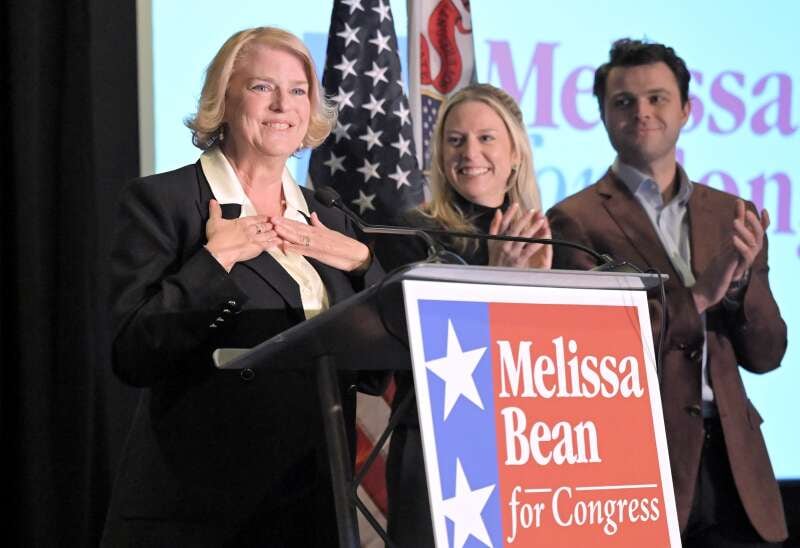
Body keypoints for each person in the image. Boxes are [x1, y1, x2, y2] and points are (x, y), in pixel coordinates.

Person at [101, 27, 381, 547]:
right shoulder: (166, 202)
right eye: (261, 87)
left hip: (315, 502)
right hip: (206, 508)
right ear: (223, 100)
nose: (283, 105)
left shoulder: (329, 217)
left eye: (298, 91)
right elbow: (132, 353)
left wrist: (364, 264)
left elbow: (376, 365)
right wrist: (216, 260)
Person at [547, 39, 787, 547]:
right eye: (624, 102)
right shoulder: (573, 220)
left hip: (735, 463)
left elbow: (767, 354)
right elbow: (594, 353)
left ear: (686, 110)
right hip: (636, 460)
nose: (643, 112)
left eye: (657, 98)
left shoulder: (733, 213)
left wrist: (740, 285)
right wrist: (698, 296)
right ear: (603, 117)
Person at [375, 83, 552, 547]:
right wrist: (497, 280)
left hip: (532, 442)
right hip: (441, 451)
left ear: (515, 153)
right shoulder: (412, 236)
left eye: (486, 138)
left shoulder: (551, 237)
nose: (470, 152)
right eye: (455, 140)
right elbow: (414, 342)